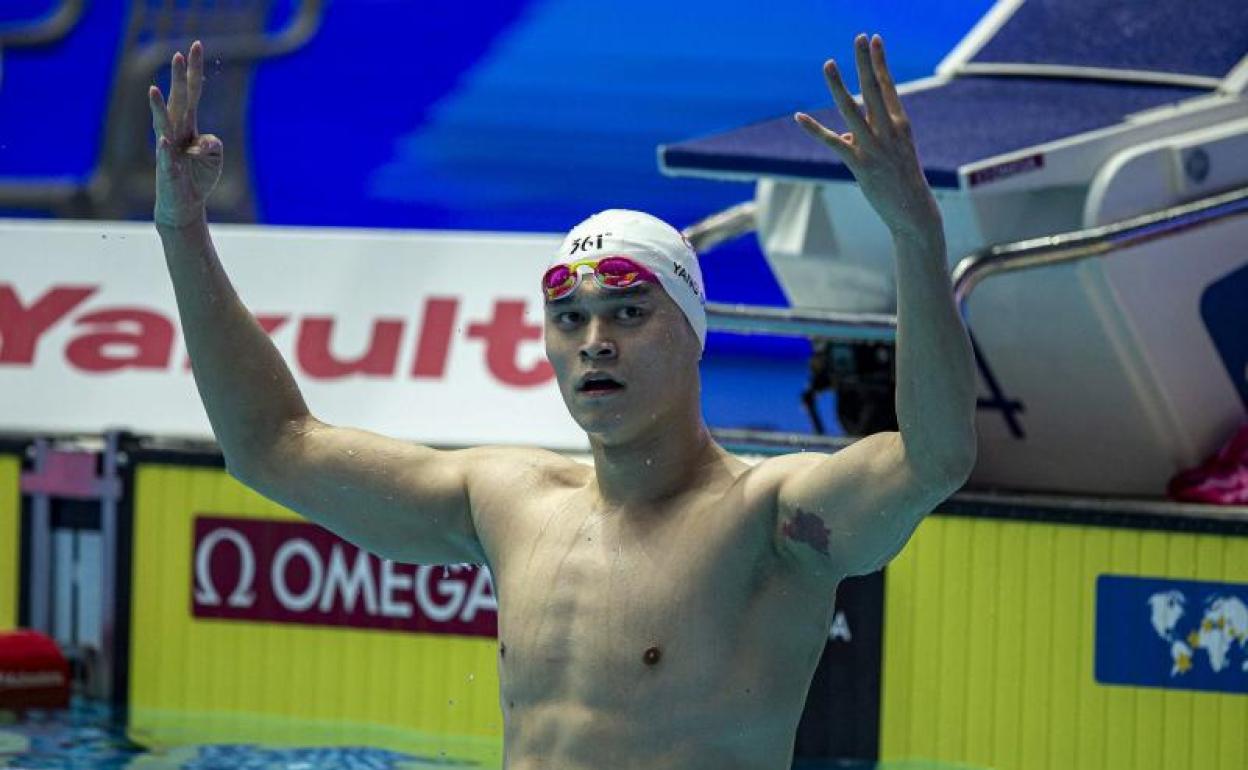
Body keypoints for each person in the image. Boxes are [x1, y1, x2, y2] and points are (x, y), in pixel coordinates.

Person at [149, 32, 977, 770]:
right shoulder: (508, 502)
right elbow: (271, 446)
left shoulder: (767, 521)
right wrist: (183, 231)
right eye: (569, 319)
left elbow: (934, 458)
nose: (595, 343)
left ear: (693, 335)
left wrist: (914, 232)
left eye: (627, 313)